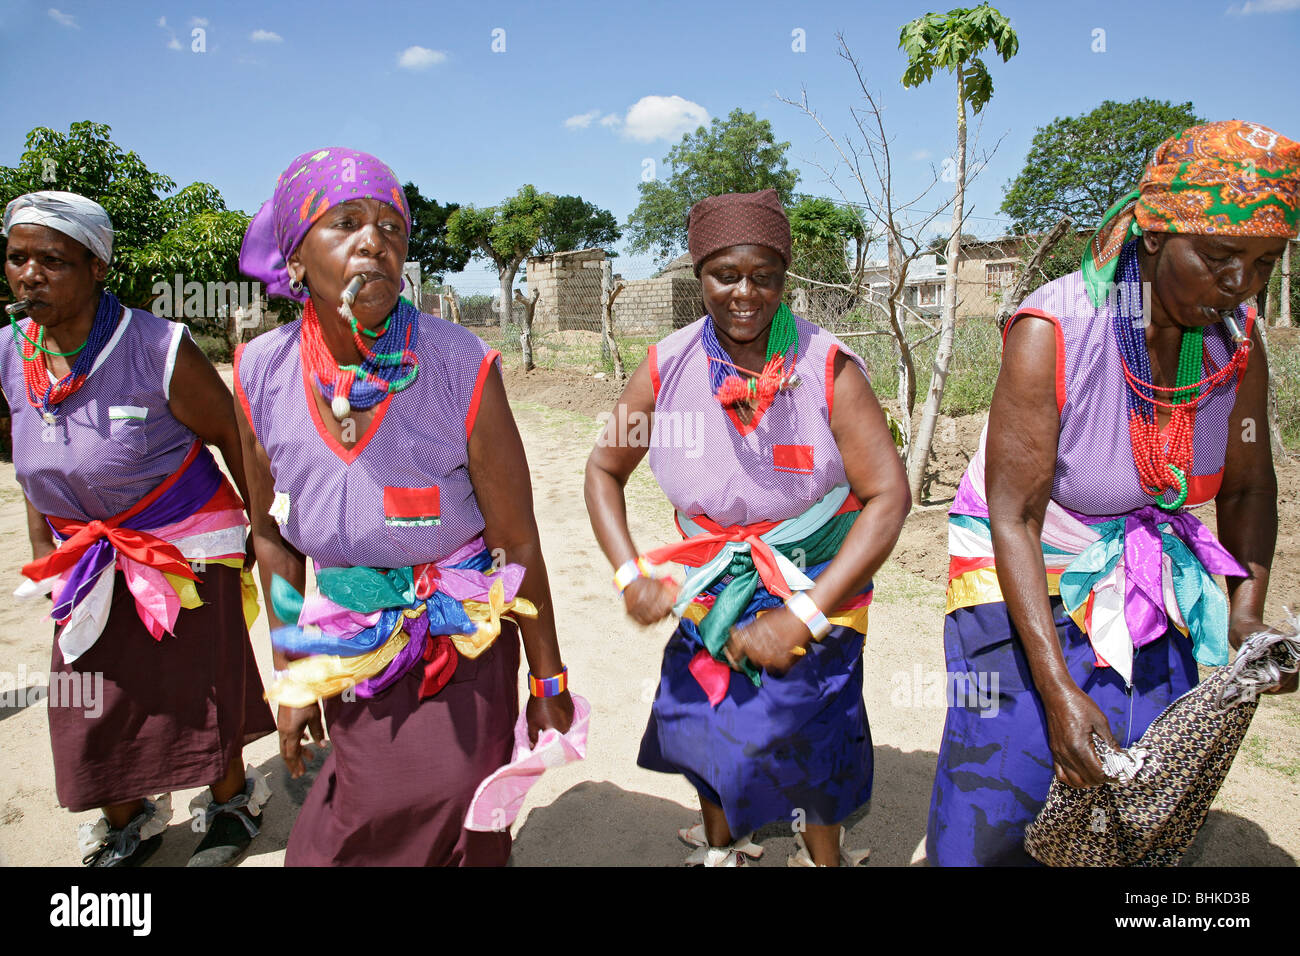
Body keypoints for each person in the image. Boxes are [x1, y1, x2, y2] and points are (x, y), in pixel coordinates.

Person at [926, 121, 1300, 866]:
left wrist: (1246, 612)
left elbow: (1251, 486)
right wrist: (1057, 685)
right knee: (1012, 775)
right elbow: (1015, 515)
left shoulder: (1237, 341)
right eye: (1220, 257)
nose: (1240, 283)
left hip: (1142, 566)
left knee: (1140, 774)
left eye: (1266, 262)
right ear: (1155, 236)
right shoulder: (1055, 328)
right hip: (1021, 565)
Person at [234, 147, 573, 866]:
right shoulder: (260, 372)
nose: (375, 243)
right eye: (346, 223)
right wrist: (293, 670)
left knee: (450, 812)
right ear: (295, 260)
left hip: (459, 644)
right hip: (347, 638)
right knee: (359, 813)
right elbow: (272, 537)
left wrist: (549, 680)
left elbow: (517, 542)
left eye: (392, 227)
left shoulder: (458, 365)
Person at [585, 189, 910, 866]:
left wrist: (806, 615)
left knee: (814, 731)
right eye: (725, 274)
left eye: (764, 276)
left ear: (784, 279)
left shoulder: (828, 368)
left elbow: (888, 497)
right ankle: (723, 846)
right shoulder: (667, 368)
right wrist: (630, 573)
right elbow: (603, 470)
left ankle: (822, 854)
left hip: (817, 580)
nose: (745, 293)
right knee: (706, 722)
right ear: (700, 274)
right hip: (713, 581)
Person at [1, 191, 275, 867]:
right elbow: (31, 449)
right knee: (86, 695)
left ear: (97, 267)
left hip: (184, 550)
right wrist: (46, 545)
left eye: (53, 260)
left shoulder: (156, 347)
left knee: (202, 684)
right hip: (83, 558)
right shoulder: (9, 352)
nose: (30, 273)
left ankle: (232, 801)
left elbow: (235, 438)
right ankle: (127, 820)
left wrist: (263, 539)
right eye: (17, 257)